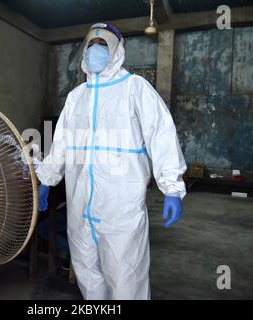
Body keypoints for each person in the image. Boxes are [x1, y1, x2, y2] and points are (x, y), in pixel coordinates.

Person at [34, 23, 186, 300]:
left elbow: (162, 134)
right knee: (87, 275)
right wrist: (46, 179)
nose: (96, 53)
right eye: (91, 46)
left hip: (121, 209)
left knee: (126, 278)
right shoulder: (76, 97)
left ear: (117, 52)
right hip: (79, 206)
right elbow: (61, 145)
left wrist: (171, 187)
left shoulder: (135, 89)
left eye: (103, 47)